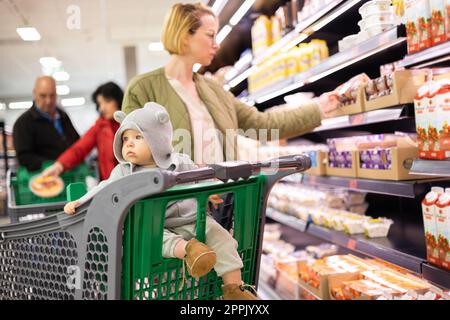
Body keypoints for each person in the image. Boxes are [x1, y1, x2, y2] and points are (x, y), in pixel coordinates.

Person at [121, 2, 339, 228]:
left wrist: (320, 107)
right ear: (185, 35)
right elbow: (134, 160)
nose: (216, 44)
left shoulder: (215, 91)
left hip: (222, 205)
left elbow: (263, 124)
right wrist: (193, 178)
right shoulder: (143, 89)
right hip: (173, 215)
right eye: (210, 35)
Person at [64, 102, 258, 300]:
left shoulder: (180, 162)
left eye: (138, 137)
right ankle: (191, 250)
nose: (129, 143)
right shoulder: (123, 171)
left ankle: (234, 289)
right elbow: (103, 188)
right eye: (125, 138)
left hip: (194, 220)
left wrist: (209, 192)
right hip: (157, 228)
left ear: (157, 139)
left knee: (222, 237)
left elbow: (200, 178)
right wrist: (81, 202)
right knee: (154, 242)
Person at [42, 82, 123, 180]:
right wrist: (59, 165)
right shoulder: (99, 128)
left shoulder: (130, 123)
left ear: (118, 100)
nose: (102, 108)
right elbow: (79, 149)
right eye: (100, 103)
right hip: (110, 184)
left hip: (133, 182)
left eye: (107, 101)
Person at [13, 76, 79, 171]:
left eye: (52, 95)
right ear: (34, 93)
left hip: (70, 173)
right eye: (43, 96)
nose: (48, 101)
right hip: (42, 178)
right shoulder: (23, 123)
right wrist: (55, 165)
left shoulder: (63, 116)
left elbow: (76, 142)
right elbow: (24, 157)